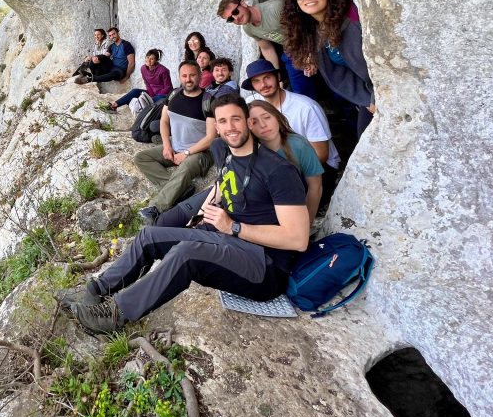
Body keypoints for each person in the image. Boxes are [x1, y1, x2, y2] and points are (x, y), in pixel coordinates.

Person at [57, 94, 309, 333]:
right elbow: (222, 185)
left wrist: (234, 227)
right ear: (216, 127)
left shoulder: (278, 171)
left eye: (236, 119)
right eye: (223, 121)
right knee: (149, 235)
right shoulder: (223, 150)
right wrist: (199, 218)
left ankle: (115, 314)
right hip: (229, 239)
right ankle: (95, 290)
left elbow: (298, 240)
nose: (230, 127)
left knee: (186, 253)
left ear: (248, 122)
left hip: (265, 266)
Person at [281, 0, 375, 136]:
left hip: (385, 88)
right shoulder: (315, 31)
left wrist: (375, 97)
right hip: (366, 95)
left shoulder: (354, 16)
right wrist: (367, 100)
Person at [133, 61, 216, 222]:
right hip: (175, 146)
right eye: (184, 76)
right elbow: (164, 121)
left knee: (185, 167)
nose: (188, 79)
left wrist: (186, 153)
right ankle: (182, 189)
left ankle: (156, 208)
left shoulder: (209, 101)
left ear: (200, 76)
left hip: (200, 153)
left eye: (192, 75)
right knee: (141, 158)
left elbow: (211, 138)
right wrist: (166, 145)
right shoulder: (173, 95)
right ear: (179, 77)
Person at [239, 59, 341, 174]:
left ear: (278, 76)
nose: (263, 85)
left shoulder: (306, 107)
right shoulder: (250, 104)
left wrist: (285, 173)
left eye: (267, 77)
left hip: (317, 165)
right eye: (256, 81)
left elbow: (321, 155)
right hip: (280, 161)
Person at [217, 0, 316, 98]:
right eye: (230, 19)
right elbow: (267, 49)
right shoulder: (248, 29)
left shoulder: (275, 7)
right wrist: (276, 77)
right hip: (293, 53)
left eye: (235, 12)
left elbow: (305, 28)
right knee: (301, 93)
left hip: (313, 42)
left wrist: (309, 55)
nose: (236, 18)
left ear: (243, 4)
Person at [247, 100, 323, 224]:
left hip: (295, 209)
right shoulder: (249, 150)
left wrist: (306, 224)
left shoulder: (298, 145)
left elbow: (315, 187)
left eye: (267, 117)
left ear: (277, 116)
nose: (263, 125)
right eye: (254, 122)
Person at [104, 48, 172, 111]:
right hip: (152, 93)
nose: (148, 60)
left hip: (162, 94)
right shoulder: (143, 69)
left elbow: (168, 87)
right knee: (135, 91)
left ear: (156, 60)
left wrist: (154, 97)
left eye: (152, 59)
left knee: (155, 99)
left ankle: (144, 107)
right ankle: (115, 104)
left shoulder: (163, 70)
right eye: (147, 57)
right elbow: (147, 83)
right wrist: (151, 95)